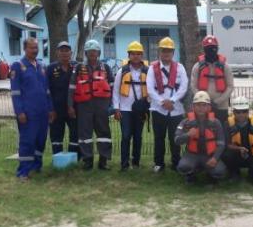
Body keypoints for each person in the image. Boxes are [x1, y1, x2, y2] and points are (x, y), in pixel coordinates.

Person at [10, 38, 55, 181]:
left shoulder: (41, 66)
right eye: (31, 48)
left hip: (43, 112)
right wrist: (19, 112)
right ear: (25, 49)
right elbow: (15, 92)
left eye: (36, 48)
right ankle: (23, 172)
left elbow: (47, 90)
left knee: (41, 140)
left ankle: (36, 166)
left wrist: (51, 109)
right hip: (28, 113)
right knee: (27, 141)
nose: (34, 50)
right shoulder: (18, 66)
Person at [68, 39, 114, 170]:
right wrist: (70, 106)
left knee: (104, 133)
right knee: (85, 134)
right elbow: (72, 87)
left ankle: (103, 161)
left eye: (95, 51)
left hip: (102, 105)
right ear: (86, 53)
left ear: (99, 53)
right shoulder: (78, 68)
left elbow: (112, 87)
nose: (93, 53)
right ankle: (87, 161)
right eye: (90, 51)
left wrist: (112, 105)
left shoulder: (106, 67)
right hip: (84, 105)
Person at [146, 37, 189, 173]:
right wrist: (162, 102)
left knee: (175, 137)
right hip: (158, 109)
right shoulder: (152, 68)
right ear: (159, 52)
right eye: (164, 50)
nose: (166, 53)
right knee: (159, 137)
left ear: (173, 52)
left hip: (176, 109)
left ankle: (176, 162)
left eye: (169, 51)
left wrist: (173, 100)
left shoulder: (180, 68)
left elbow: (184, 87)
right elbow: (150, 88)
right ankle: (159, 163)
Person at [174, 91, 227, 184]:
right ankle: (191, 175)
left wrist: (215, 158)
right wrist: (188, 134)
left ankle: (210, 175)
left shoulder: (216, 122)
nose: (201, 108)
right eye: (198, 105)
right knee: (183, 167)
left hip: (210, 155)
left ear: (209, 107)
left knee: (220, 172)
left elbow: (221, 143)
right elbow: (176, 140)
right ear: (193, 107)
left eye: (204, 105)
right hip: (192, 154)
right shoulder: (186, 122)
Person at [112, 41, 149, 171]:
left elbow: (151, 89)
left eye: (138, 53)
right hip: (125, 109)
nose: (136, 56)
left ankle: (136, 162)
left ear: (142, 55)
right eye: (133, 53)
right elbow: (116, 90)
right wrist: (116, 108)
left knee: (138, 137)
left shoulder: (147, 71)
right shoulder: (122, 71)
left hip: (140, 110)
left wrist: (147, 107)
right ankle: (124, 164)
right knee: (126, 136)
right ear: (129, 55)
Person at [221, 96, 253, 182]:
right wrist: (239, 148)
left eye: (244, 111)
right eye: (238, 112)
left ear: (248, 111)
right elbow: (226, 144)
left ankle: (252, 174)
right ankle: (234, 173)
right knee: (226, 155)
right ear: (233, 112)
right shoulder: (227, 124)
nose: (241, 114)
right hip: (235, 155)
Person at [190, 35, 234, 123]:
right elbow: (193, 86)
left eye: (213, 48)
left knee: (221, 128)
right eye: (208, 48)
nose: (211, 51)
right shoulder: (197, 67)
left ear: (217, 48)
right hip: (202, 107)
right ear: (204, 49)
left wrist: (218, 101)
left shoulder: (225, 66)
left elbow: (230, 86)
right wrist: (203, 101)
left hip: (221, 106)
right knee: (202, 129)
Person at [46, 41, 78, 155]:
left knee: (75, 134)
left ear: (71, 53)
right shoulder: (50, 68)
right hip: (56, 109)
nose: (64, 53)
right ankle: (57, 159)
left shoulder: (76, 67)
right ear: (57, 53)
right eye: (62, 51)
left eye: (67, 51)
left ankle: (73, 159)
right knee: (56, 136)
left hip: (73, 109)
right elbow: (47, 90)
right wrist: (50, 109)